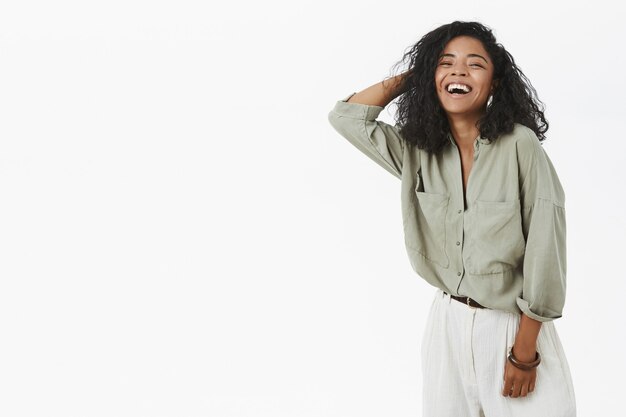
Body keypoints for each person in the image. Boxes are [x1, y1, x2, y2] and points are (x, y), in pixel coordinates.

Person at [327, 21, 576, 417]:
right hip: (446, 325)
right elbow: (347, 118)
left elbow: (547, 244)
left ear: (495, 84)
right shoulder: (417, 150)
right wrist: (420, 72)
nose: (459, 71)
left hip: (513, 325)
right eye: (447, 63)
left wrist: (525, 351)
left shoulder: (519, 145)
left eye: (475, 65)